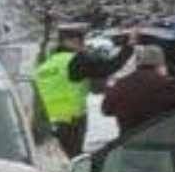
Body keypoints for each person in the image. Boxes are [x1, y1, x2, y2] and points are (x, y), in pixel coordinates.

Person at [33, 23, 132, 157]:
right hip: (72, 122)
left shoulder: (45, 66)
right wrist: (129, 47)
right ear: (69, 41)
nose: (83, 44)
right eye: (80, 40)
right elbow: (108, 68)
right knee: (76, 161)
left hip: (50, 124)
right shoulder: (75, 61)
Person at [101, 45, 175, 137]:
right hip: (162, 141)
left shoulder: (121, 84)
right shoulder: (169, 85)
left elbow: (106, 109)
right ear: (160, 65)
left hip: (128, 142)